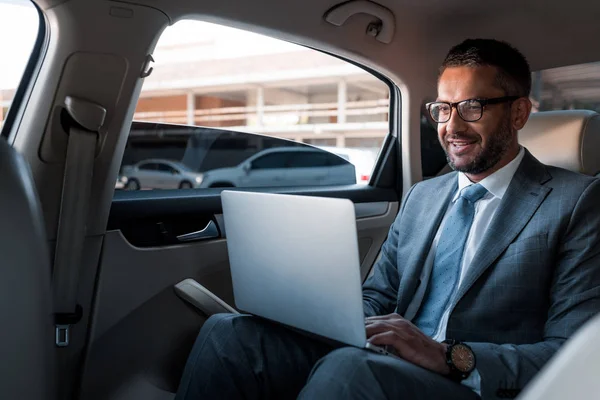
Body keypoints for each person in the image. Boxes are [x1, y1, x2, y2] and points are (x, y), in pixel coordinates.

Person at [175, 39, 600, 400]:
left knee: (349, 370)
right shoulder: (423, 196)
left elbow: (572, 351)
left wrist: (448, 356)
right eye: (443, 108)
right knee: (229, 334)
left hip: (470, 383)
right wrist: (329, 318)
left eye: (472, 107)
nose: (452, 126)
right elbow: (378, 294)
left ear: (519, 113)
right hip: (386, 358)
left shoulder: (576, 201)